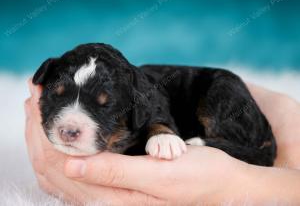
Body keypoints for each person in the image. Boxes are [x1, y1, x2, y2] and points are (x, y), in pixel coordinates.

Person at [24, 79, 300, 205]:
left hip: (213, 93)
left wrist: (249, 183)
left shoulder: (142, 102)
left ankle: (221, 144)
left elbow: (155, 118)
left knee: (218, 100)